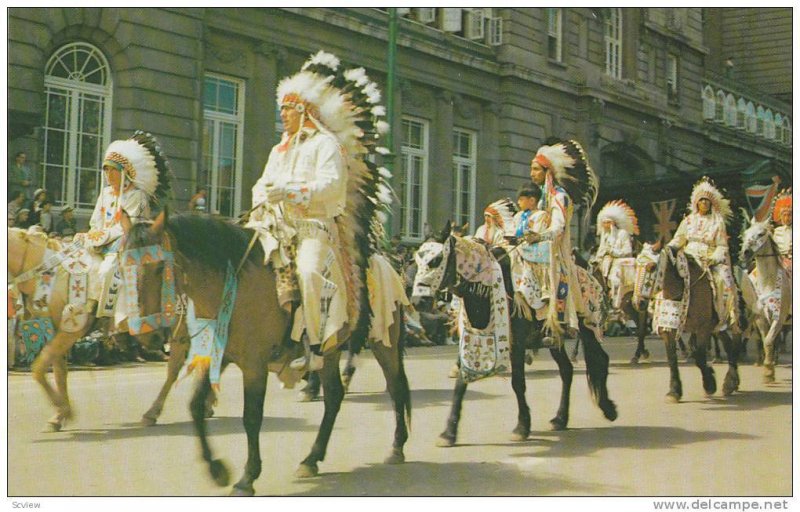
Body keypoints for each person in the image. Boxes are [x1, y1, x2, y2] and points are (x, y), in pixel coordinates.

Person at [74, 131, 172, 325]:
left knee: (107, 270)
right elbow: (95, 221)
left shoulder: (137, 195)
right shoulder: (105, 193)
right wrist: (90, 236)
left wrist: (100, 237)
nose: (109, 175)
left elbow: (128, 228)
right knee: (78, 264)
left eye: (113, 170)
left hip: (127, 244)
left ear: (124, 172)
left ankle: (109, 321)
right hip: (101, 242)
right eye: (106, 170)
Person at [524, 139, 599, 345]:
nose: (532, 174)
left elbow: (558, 227)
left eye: (536, 169)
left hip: (555, 250)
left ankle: (556, 322)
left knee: (551, 275)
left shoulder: (560, 196)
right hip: (537, 247)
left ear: (547, 172)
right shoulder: (543, 197)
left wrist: (540, 236)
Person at [667, 176, 738, 333]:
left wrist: (714, 258)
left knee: (725, 281)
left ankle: (726, 316)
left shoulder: (717, 221)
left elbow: (721, 245)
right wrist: (668, 249)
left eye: (707, 200)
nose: (704, 203)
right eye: (701, 200)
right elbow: (678, 239)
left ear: (711, 203)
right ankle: (662, 313)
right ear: (696, 203)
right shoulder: (688, 220)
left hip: (709, 258)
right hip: (689, 257)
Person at [591, 200, 639, 309]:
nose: (606, 226)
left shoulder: (622, 234)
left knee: (615, 280)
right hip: (605, 263)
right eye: (604, 223)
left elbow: (627, 251)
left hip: (619, 263)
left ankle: (615, 305)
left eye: (608, 223)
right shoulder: (605, 236)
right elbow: (601, 251)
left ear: (613, 223)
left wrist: (613, 252)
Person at [771, 189, 791, 275]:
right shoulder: (777, 231)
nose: (786, 218)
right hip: (778, 263)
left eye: (789, 215)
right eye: (784, 215)